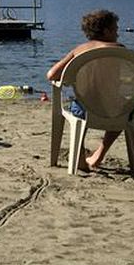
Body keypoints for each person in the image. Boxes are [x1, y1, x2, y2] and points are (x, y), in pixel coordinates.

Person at [46, 9, 125, 173]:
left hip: (85, 109)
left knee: (76, 112)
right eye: (115, 28)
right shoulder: (120, 50)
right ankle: (99, 154)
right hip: (116, 110)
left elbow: (52, 74)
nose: (118, 32)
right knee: (124, 110)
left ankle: (79, 157)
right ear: (106, 31)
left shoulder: (80, 50)